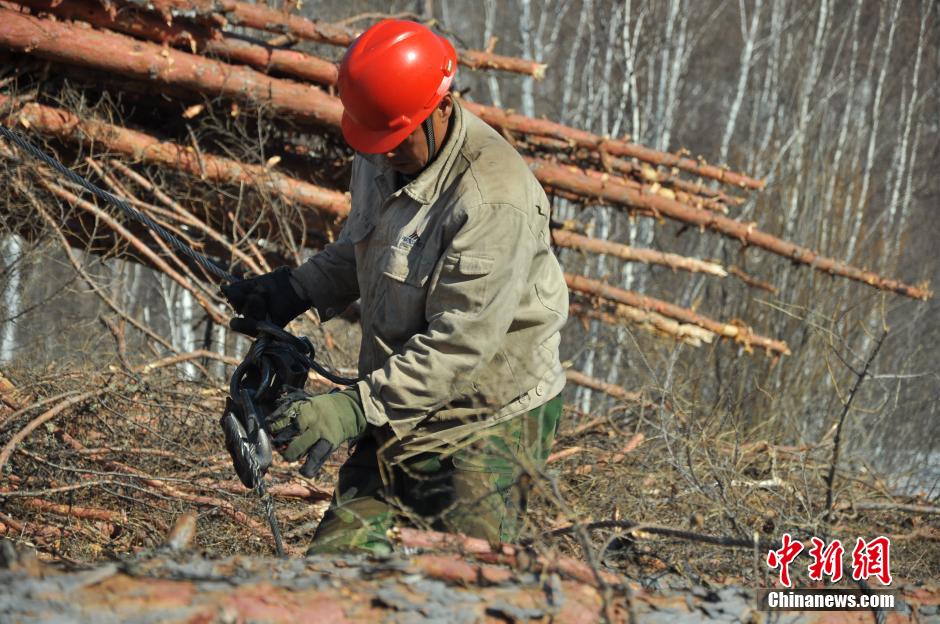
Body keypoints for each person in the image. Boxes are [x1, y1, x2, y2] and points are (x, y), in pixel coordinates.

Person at [222, 19, 568, 554]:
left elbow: (461, 346)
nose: (382, 155)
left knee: (462, 589)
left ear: (444, 108)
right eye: (374, 141)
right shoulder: (384, 146)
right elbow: (369, 242)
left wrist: (350, 409)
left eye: (395, 141)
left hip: (485, 417)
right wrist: (296, 289)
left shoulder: (493, 199)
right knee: (335, 572)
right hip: (398, 398)